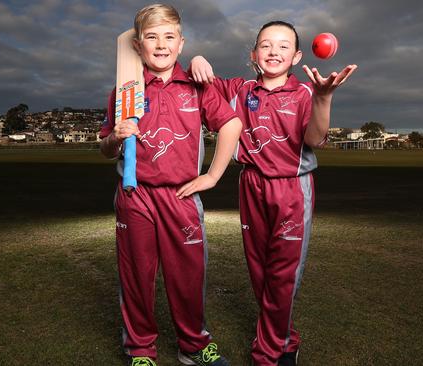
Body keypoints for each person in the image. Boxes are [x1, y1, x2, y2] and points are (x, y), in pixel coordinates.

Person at [188, 21, 357, 366]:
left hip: (292, 190)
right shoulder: (239, 88)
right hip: (251, 185)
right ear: (253, 54)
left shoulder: (305, 93)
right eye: (266, 45)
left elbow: (313, 140)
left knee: (283, 274)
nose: (274, 52)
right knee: (261, 271)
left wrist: (324, 97)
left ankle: (266, 354)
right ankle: (287, 341)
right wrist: (198, 58)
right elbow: (200, 80)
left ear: (296, 56)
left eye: (283, 46)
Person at [99, 4, 242, 366]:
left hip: (181, 196)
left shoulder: (196, 86)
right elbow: (104, 150)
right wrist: (115, 137)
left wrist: (211, 176)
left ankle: (193, 345)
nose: (160, 44)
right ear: (138, 45)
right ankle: (141, 349)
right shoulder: (124, 90)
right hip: (136, 195)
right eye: (151, 37)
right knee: (136, 275)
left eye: (168, 37)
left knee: (188, 276)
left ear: (181, 44)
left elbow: (231, 125)